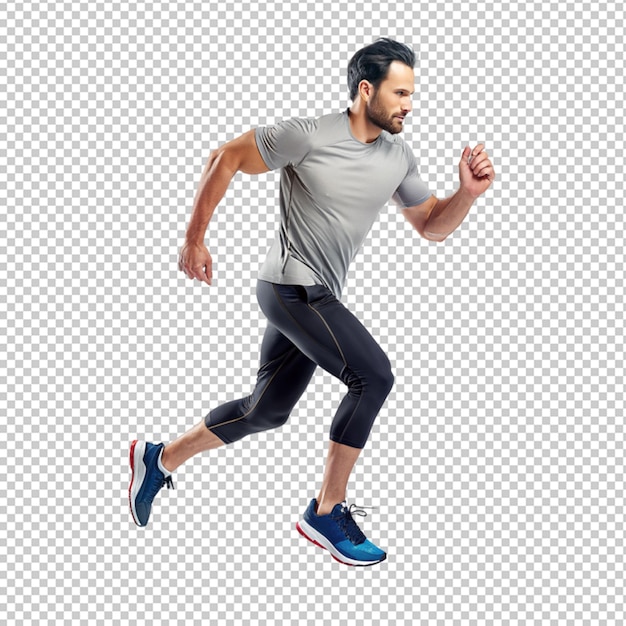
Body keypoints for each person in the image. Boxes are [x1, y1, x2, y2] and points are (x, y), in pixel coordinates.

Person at [128, 38, 495, 566]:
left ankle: (158, 458)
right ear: (365, 90)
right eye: (399, 93)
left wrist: (467, 194)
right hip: (289, 287)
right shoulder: (308, 135)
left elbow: (431, 226)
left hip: (318, 296)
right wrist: (194, 238)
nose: (408, 105)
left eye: (412, 94)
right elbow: (224, 157)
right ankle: (327, 510)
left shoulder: (397, 156)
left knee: (266, 410)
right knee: (374, 376)